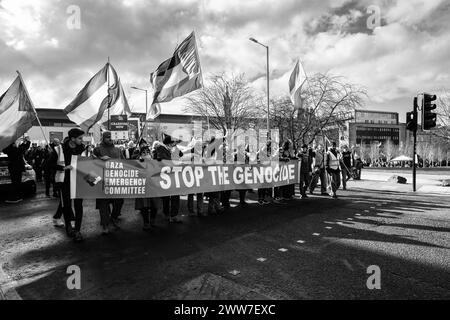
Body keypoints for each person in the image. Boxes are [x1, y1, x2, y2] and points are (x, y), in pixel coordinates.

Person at [93, 131, 125, 235]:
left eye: (111, 137)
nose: (110, 139)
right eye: (107, 137)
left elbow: (125, 163)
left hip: (116, 180)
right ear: (103, 138)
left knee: (119, 201)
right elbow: (90, 162)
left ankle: (114, 217)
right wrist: (99, 159)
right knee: (104, 205)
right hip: (102, 181)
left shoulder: (118, 150)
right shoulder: (97, 149)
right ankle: (105, 225)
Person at [60, 128, 86, 242]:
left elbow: (87, 162)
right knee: (66, 206)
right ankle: (69, 227)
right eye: (80, 138)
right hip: (65, 182)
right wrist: (64, 167)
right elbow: (48, 165)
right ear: (72, 139)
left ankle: (77, 230)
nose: (82, 140)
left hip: (79, 181)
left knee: (79, 206)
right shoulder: (60, 149)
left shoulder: (82, 148)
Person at [153, 135, 182, 223]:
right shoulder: (161, 149)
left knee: (175, 196)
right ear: (169, 143)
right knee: (166, 197)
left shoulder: (173, 149)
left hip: (173, 176)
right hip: (165, 177)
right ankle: (167, 214)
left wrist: (175, 150)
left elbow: (181, 154)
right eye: (174, 142)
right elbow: (163, 161)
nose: (175, 144)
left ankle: (174, 215)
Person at [134, 145, 160, 231]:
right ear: (140, 154)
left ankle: (152, 220)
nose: (146, 154)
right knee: (144, 206)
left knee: (154, 205)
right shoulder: (138, 163)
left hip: (153, 187)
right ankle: (146, 222)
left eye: (148, 152)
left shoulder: (155, 163)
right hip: (143, 187)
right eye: (144, 153)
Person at [2, 137, 31, 204]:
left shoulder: (10, 150)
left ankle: (16, 197)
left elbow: (5, 149)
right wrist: (27, 141)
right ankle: (17, 197)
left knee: (15, 183)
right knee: (17, 183)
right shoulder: (15, 150)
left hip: (13, 168)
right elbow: (24, 148)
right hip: (17, 168)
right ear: (13, 144)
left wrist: (22, 143)